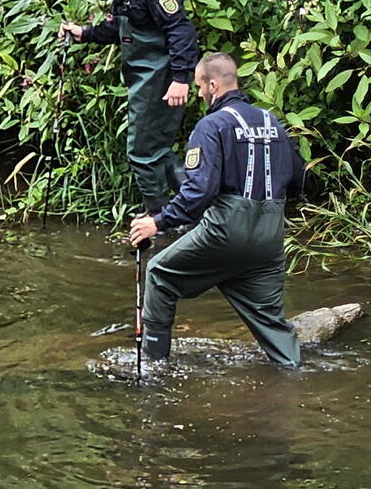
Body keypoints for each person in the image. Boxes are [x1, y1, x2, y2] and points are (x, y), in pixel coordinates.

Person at [128, 53, 304, 367]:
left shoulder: (211, 126)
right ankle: (293, 376)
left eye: (199, 87)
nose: (198, 94)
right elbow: (298, 181)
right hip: (270, 237)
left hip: (226, 231)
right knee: (273, 325)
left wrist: (158, 223)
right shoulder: (273, 122)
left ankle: (152, 367)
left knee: (159, 274)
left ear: (212, 85)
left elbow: (198, 193)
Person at [60, 0, 200, 214]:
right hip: (143, 80)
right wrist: (84, 34)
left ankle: (161, 217)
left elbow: (180, 28)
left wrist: (180, 79)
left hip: (159, 79)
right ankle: (194, 210)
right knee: (157, 151)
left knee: (141, 152)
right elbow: (120, 28)